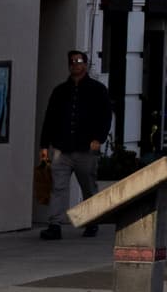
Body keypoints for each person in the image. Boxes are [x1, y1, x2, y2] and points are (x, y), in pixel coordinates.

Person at [37, 52, 117, 238]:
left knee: (88, 186)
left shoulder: (97, 89)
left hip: (86, 148)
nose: (75, 65)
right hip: (61, 147)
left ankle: (92, 221)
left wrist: (99, 138)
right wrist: (44, 145)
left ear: (86, 65)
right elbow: (50, 118)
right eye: (72, 62)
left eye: (79, 61)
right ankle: (55, 224)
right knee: (58, 186)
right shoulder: (60, 91)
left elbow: (105, 116)